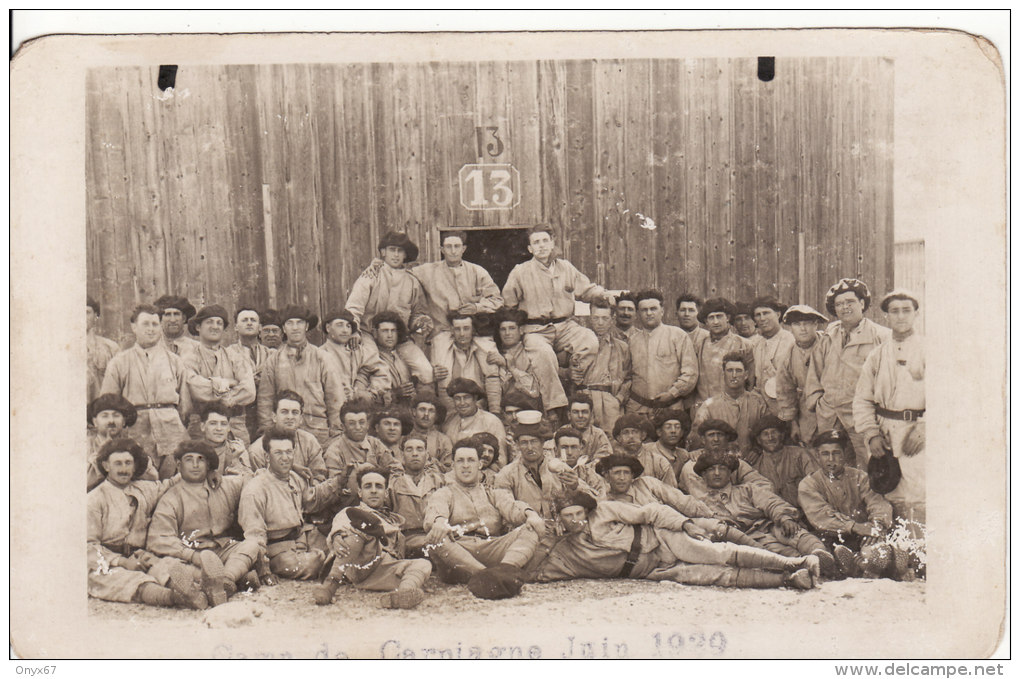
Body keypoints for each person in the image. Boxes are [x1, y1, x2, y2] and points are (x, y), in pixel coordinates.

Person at [528, 492, 816, 590]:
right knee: (713, 576)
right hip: (650, 571)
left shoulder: (604, 510)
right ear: (560, 520)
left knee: (716, 554)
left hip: (661, 540)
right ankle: (789, 580)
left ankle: (793, 561)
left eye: (579, 512)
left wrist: (684, 524)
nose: (575, 519)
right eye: (568, 516)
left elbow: (650, 511)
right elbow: (540, 571)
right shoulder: (565, 550)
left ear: (586, 510)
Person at [87, 437, 208, 609]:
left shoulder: (143, 489)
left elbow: (171, 483)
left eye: (128, 463)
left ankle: (210, 586)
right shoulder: (94, 499)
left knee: (170, 567)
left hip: (141, 555)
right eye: (118, 464)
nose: (124, 469)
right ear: (106, 466)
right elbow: (87, 546)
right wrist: (122, 562)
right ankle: (176, 598)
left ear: (135, 465)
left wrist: (209, 471)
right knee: (130, 581)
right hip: (108, 562)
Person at [147, 439, 261, 606]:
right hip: (192, 552)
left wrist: (232, 464)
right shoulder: (171, 498)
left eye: (201, 459)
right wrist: (192, 556)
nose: (195, 465)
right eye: (189, 460)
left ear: (208, 465)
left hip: (222, 549)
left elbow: (250, 481)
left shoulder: (223, 484)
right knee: (164, 566)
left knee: (251, 545)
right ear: (179, 465)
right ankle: (229, 580)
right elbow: (158, 539)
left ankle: (226, 581)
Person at [423, 440, 545, 590]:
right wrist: (439, 521)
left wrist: (530, 514)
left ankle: (505, 570)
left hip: (491, 548)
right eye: (460, 461)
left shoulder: (491, 492)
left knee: (530, 528)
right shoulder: (445, 493)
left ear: (480, 465)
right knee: (435, 538)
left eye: (471, 460)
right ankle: (486, 575)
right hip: (459, 554)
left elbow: (512, 507)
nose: (466, 465)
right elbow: (435, 511)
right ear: (453, 466)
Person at [691, 450, 836, 576]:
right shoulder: (701, 503)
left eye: (722, 468)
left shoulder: (747, 489)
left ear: (730, 472)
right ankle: (817, 566)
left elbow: (770, 502)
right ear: (703, 475)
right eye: (711, 469)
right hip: (750, 539)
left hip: (771, 525)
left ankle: (820, 554)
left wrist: (784, 517)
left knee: (797, 534)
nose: (717, 473)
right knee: (778, 553)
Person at [501, 226, 615, 381]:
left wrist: (604, 294)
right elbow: (508, 306)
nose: (541, 245)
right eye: (536, 242)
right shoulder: (520, 272)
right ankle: (556, 403)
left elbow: (586, 290)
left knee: (589, 340)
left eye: (545, 241)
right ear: (530, 249)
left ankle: (575, 383)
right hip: (536, 329)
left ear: (552, 243)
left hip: (565, 327)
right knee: (544, 354)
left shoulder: (565, 267)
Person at [797, 429, 914, 580]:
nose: (831, 459)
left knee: (875, 550)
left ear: (844, 454)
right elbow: (821, 516)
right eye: (825, 454)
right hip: (833, 535)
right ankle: (861, 567)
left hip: (866, 534)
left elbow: (877, 503)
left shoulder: (860, 477)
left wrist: (877, 526)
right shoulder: (808, 484)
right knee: (832, 552)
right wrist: (856, 527)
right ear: (817, 456)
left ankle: (874, 565)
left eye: (836, 453)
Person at [853, 290, 926, 527]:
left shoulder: (929, 350)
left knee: (918, 492)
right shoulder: (877, 355)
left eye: (906, 310)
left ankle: (922, 557)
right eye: (894, 311)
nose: (901, 316)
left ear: (916, 313)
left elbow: (948, 397)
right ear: (886, 316)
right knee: (889, 492)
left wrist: (925, 427)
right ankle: (896, 555)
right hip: (884, 432)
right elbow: (862, 398)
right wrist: (871, 433)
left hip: (916, 431)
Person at [314, 468, 432, 609]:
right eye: (368, 486)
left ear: (386, 493)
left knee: (423, 564)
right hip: (361, 563)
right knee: (360, 531)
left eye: (379, 486)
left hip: (382, 571)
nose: (374, 491)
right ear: (359, 492)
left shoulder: (393, 519)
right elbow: (340, 525)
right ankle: (330, 585)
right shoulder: (352, 512)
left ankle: (403, 593)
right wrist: (337, 536)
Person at [238, 427, 345, 582]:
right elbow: (255, 535)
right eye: (278, 453)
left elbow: (311, 501)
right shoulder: (255, 489)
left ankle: (329, 562)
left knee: (343, 547)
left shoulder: (294, 477)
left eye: (289, 452)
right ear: (267, 457)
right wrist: (264, 570)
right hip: (277, 550)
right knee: (312, 564)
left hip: (302, 538)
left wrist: (338, 482)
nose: (285, 458)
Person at [806, 278, 892, 468]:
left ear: (862, 304)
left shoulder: (882, 336)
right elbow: (815, 373)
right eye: (839, 304)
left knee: (868, 466)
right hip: (830, 416)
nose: (844, 307)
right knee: (833, 466)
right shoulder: (829, 336)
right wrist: (818, 403)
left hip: (862, 418)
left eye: (850, 302)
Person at [101, 303, 193, 479]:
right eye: (145, 324)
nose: (151, 329)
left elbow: (185, 406)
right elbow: (108, 404)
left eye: (155, 324)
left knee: (173, 482)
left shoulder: (174, 361)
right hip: (136, 434)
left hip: (172, 433)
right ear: (134, 327)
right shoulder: (119, 362)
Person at [345, 230, 434, 385]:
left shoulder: (412, 282)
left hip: (399, 338)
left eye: (400, 251)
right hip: (369, 334)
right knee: (375, 367)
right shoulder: (371, 275)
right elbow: (353, 307)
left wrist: (419, 323)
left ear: (405, 255)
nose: (396, 255)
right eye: (392, 250)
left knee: (425, 371)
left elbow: (416, 313)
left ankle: (417, 404)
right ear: (383, 252)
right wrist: (353, 330)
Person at [257, 305, 346, 446]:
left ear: (306, 326)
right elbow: (265, 400)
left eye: (299, 323)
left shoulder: (322, 357)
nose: (295, 327)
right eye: (290, 323)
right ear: (284, 329)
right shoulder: (273, 360)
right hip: (283, 432)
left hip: (317, 430)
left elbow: (335, 398)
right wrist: (268, 431)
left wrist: (336, 433)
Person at [409, 230, 504, 359]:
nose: (453, 251)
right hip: (444, 331)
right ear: (442, 249)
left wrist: (477, 307)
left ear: (463, 248)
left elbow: (497, 300)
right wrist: (379, 266)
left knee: (491, 360)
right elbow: (403, 274)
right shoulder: (427, 271)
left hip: (475, 331)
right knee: (443, 369)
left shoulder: (477, 271)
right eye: (448, 247)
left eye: (457, 246)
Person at [180, 304, 256, 444]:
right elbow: (196, 388)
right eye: (209, 322)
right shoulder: (189, 356)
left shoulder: (235, 356)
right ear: (198, 327)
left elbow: (249, 390)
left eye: (219, 323)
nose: (215, 326)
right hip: (201, 426)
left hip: (235, 424)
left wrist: (228, 399)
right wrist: (228, 383)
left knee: (239, 462)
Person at [494, 419, 596, 519]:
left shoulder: (559, 467)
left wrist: (575, 486)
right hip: (527, 528)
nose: (530, 447)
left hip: (559, 528)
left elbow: (594, 500)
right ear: (517, 444)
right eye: (524, 442)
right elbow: (505, 504)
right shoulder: (507, 474)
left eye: (534, 441)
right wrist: (528, 514)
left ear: (543, 442)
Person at [626, 289, 698, 418]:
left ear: (662, 311)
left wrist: (672, 393)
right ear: (638, 314)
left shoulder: (677, 336)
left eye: (653, 308)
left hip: (671, 408)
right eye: (644, 310)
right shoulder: (632, 341)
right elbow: (626, 376)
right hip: (639, 409)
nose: (649, 313)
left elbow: (691, 373)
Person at [490, 306, 567, 415]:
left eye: (512, 328)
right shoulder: (495, 353)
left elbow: (535, 390)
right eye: (503, 329)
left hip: (531, 411)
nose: (507, 333)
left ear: (521, 330)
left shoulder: (531, 353)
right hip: (504, 412)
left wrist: (512, 368)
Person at [691, 352, 769, 454]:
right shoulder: (709, 405)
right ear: (723, 374)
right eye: (730, 370)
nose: (734, 375)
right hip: (720, 462)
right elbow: (696, 437)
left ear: (746, 375)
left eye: (738, 371)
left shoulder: (758, 402)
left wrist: (757, 449)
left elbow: (768, 431)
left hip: (752, 461)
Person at [243, 390, 328, 483]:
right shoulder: (257, 450)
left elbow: (319, 478)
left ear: (301, 418)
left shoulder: (309, 442)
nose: (290, 417)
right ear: (274, 416)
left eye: (295, 412)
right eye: (284, 412)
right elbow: (256, 486)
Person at [324, 398, 402, 499]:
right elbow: (333, 488)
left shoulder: (374, 444)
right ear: (343, 426)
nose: (358, 427)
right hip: (349, 503)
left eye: (361, 422)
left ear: (368, 424)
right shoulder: (334, 451)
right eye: (352, 423)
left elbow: (397, 470)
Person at [596, 453, 712, 521]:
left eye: (626, 473)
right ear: (607, 476)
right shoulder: (603, 501)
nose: (622, 478)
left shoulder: (647, 484)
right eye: (617, 473)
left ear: (632, 476)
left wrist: (709, 515)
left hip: (675, 526)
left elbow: (681, 501)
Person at [775, 305, 828, 446]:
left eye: (807, 323)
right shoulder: (788, 355)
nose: (802, 329)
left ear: (815, 324)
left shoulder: (828, 345)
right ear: (791, 328)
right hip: (806, 412)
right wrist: (793, 424)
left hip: (830, 407)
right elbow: (785, 392)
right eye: (797, 324)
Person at [678, 419, 774, 497]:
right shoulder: (692, 465)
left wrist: (741, 495)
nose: (716, 439)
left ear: (727, 439)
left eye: (720, 435)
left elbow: (765, 485)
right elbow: (700, 497)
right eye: (711, 435)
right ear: (703, 440)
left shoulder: (735, 462)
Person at [388, 434, 448, 557]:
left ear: (427, 455)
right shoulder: (393, 484)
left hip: (435, 535)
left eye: (419, 449)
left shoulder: (438, 481)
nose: (415, 454)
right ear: (402, 456)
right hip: (406, 539)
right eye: (409, 449)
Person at [431, 312, 501, 415]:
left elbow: (492, 382)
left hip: (479, 408)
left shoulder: (485, 348)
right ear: (452, 330)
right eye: (457, 329)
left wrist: (495, 412)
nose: (462, 333)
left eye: (466, 328)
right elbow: (440, 388)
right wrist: (433, 375)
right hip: (451, 409)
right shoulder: (441, 349)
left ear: (473, 330)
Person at [577, 300, 631, 432]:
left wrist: (618, 399)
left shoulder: (621, 347)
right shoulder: (578, 343)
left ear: (612, 320)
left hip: (610, 401)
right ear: (590, 318)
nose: (600, 323)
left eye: (605, 318)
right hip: (584, 400)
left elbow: (629, 377)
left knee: (612, 440)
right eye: (596, 318)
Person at [225, 306, 276, 442]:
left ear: (259, 327)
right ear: (236, 327)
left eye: (253, 320)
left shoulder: (271, 355)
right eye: (244, 320)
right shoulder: (228, 354)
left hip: (266, 412)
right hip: (241, 414)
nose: (249, 323)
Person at [318, 309, 389, 406]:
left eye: (348, 326)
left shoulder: (357, 351)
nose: (345, 330)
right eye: (340, 325)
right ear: (328, 328)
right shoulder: (319, 354)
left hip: (360, 409)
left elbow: (382, 370)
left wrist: (372, 392)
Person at [87, 393, 158, 491]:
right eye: (105, 416)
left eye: (116, 416)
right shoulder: (85, 445)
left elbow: (152, 477)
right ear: (95, 421)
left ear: (124, 421)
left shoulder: (133, 446)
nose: (111, 421)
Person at [749, 415, 818, 510]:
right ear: (759, 440)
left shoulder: (800, 454)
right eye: (765, 434)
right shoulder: (756, 466)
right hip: (776, 515)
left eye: (774, 432)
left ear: (782, 435)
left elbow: (817, 482)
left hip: (807, 510)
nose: (770, 438)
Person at [695, 298, 756, 403]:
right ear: (706, 321)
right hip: (705, 404)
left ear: (727, 318)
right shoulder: (700, 345)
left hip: (734, 405)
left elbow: (751, 380)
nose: (715, 322)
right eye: (711, 318)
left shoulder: (744, 344)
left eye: (719, 316)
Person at [442, 378, 508, 468]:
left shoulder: (491, 421)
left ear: (475, 398)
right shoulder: (449, 422)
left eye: (466, 397)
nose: (462, 403)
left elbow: (500, 460)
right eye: (457, 398)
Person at [371, 311, 432, 406]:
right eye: (385, 331)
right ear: (375, 333)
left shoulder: (403, 355)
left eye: (393, 330)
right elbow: (369, 398)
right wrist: (394, 394)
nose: (390, 335)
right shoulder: (372, 358)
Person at [750, 296, 795, 415]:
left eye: (766, 313)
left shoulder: (791, 340)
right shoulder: (756, 344)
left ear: (778, 314)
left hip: (787, 407)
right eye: (758, 315)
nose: (762, 318)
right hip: (763, 409)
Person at [611, 413, 677, 488]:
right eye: (626, 432)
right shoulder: (611, 463)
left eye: (635, 432)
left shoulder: (659, 462)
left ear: (643, 435)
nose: (631, 436)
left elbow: (672, 493)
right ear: (619, 438)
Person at [197, 402, 251, 476]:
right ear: (202, 426)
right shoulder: (194, 450)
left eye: (223, 424)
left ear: (228, 428)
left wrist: (234, 461)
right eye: (213, 423)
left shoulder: (237, 449)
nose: (219, 429)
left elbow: (247, 480)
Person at [641, 409, 693, 482]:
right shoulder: (647, 450)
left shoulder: (683, 455)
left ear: (681, 433)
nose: (673, 431)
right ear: (659, 432)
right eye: (668, 427)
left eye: (677, 427)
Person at [87, 296, 122, 404]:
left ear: (95, 316)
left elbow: (120, 383)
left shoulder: (111, 348)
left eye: (87, 312)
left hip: (103, 410)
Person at [554, 425, 606, 495]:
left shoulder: (590, 474)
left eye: (574, 447)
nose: (569, 452)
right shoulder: (548, 474)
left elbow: (600, 500)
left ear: (581, 449)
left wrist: (577, 486)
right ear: (556, 450)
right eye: (564, 447)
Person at [409, 391, 454, 471]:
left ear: (436, 415)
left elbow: (449, 469)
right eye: (422, 410)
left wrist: (431, 462)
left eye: (431, 411)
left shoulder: (443, 440)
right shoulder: (404, 436)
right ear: (414, 412)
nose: (426, 414)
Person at [566, 392, 614, 462]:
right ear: (569, 415)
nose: (580, 416)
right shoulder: (559, 434)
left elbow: (604, 461)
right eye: (576, 412)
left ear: (591, 415)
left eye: (584, 412)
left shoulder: (598, 435)